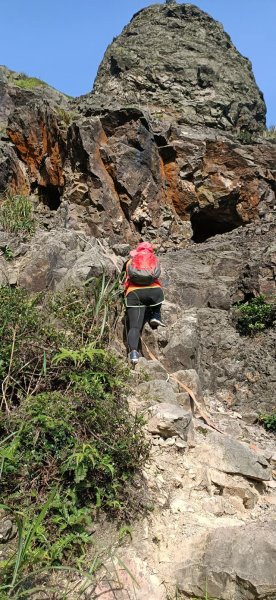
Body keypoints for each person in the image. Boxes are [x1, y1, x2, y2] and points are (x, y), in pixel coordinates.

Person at [122, 242, 165, 365]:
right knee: (158, 295)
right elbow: (157, 275)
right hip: (154, 293)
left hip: (134, 295)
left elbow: (124, 278)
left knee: (134, 327)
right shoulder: (153, 260)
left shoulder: (130, 262)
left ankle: (134, 353)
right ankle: (155, 315)